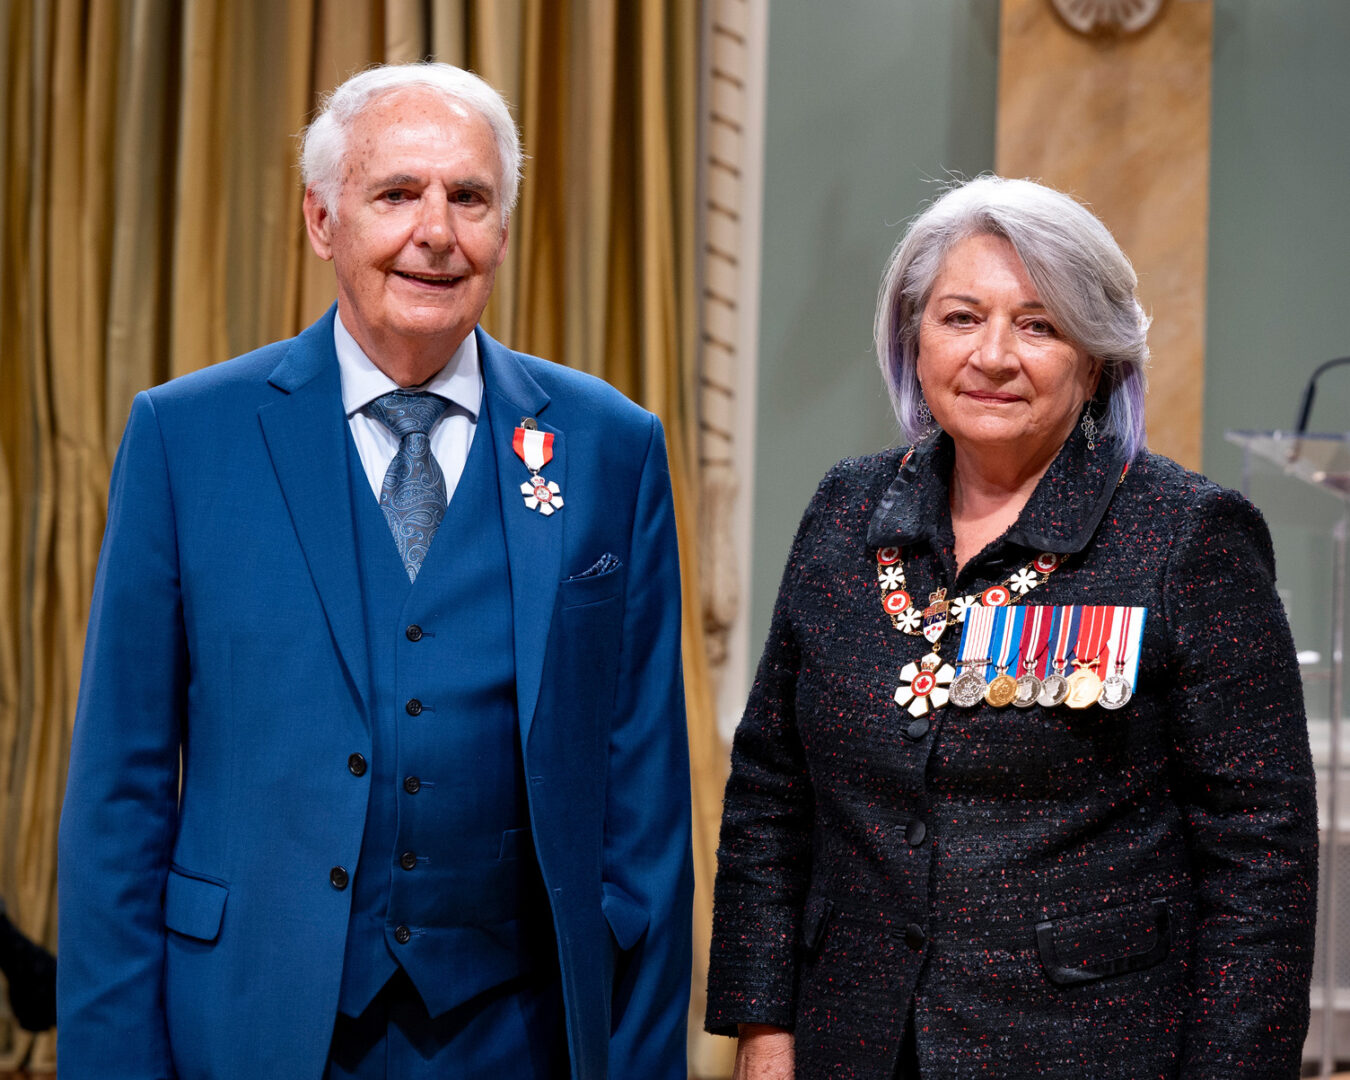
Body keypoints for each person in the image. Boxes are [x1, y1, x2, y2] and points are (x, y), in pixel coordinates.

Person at [58, 62, 693, 1080]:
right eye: (396, 193)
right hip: (250, 1025)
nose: (435, 231)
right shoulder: (187, 438)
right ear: (322, 220)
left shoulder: (608, 445)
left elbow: (645, 804)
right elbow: (119, 797)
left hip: (520, 1039)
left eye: (470, 198)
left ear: (501, 225)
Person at [705, 176, 1317, 1078]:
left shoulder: (1186, 535)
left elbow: (1262, 855)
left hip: (1089, 1048)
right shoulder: (847, 506)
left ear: (1098, 357)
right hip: (850, 1039)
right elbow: (769, 792)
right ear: (914, 337)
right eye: (961, 318)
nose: (994, 355)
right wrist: (762, 1028)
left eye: (1038, 324)